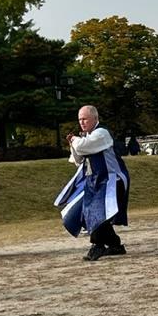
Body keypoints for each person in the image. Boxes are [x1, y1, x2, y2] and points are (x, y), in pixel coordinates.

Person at [54, 105, 129, 261]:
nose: (82, 122)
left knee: (96, 212)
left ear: (95, 118)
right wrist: (73, 145)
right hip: (95, 181)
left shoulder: (102, 133)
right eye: (80, 119)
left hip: (112, 180)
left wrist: (75, 140)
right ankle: (115, 244)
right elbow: (77, 160)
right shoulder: (86, 137)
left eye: (85, 119)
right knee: (79, 214)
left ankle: (98, 246)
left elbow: (83, 146)